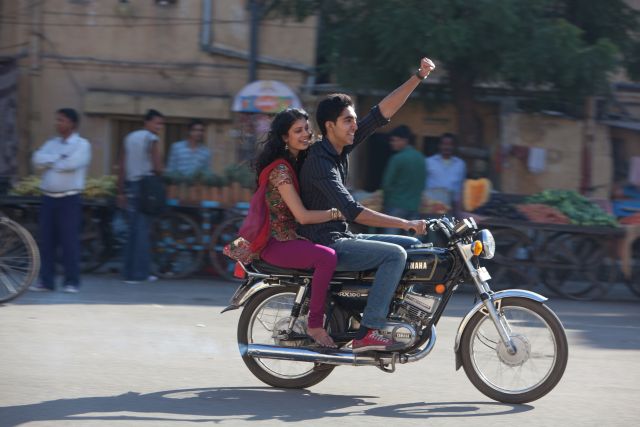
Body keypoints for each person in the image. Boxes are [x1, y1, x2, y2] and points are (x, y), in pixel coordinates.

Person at [299, 57, 434, 353]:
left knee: (413, 247)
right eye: (348, 120)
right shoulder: (319, 162)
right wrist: (406, 222)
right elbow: (354, 211)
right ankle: (369, 331)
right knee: (395, 255)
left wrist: (418, 77)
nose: (355, 125)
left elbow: (381, 113)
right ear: (329, 125)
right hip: (326, 243)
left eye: (354, 119)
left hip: (342, 236)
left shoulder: (340, 146)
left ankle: (395, 313)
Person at [224, 108, 341, 348]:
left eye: (307, 128)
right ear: (285, 138)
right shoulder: (281, 171)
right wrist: (338, 213)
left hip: (289, 238)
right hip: (276, 243)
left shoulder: (296, 162)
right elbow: (303, 216)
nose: (306, 134)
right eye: (298, 131)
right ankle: (315, 324)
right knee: (327, 258)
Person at [30, 108, 91, 293]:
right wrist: (57, 158)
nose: (57, 123)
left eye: (61, 120)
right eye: (57, 120)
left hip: (69, 199)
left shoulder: (82, 144)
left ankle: (72, 282)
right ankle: (46, 282)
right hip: (48, 198)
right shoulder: (52, 143)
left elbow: (72, 164)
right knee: (46, 241)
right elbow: (36, 159)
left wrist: (50, 162)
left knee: (69, 242)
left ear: (72, 123)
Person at [117, 109, 164, 284]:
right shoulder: (151, 138)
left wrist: (120, 190)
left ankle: (127, 272)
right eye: (157, 123)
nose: (159, 127)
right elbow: (157, 165)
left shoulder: (129, 138)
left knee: (132, 232)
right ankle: (139, 274)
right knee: (142, 232)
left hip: (130, 186)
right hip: (145, 186)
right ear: (147, 122)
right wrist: (161, 172)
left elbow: (121, 165)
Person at [381, 125, 426, 234]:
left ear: (405, 140)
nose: (392, 143)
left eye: (395, 140)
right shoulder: (421, 158)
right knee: (413, 243)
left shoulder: (397, 159)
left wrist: (383, 203)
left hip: (395, 206)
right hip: (414, 206)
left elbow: (386, 184)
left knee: (390, 241)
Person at [425, 133, 466, 215]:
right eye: (444, 144)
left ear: (454, 146)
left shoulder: (460, 164)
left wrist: (460, 209)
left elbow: (462, 187)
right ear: (439, 146)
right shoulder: (429, 162)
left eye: (450, 144)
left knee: (449, 227)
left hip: (452, 207)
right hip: (432, 206)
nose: (447, 147)